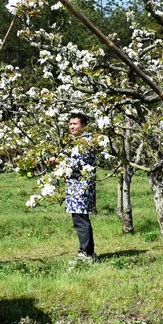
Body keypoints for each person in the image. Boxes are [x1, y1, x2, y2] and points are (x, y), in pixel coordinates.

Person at [61, 112, 98, 262]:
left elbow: (76, 164)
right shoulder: (77, 142)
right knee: (80, 218)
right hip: (75, 187)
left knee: (81, 219)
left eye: (75, 124)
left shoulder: (85, 143)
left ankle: (86, 253)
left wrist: (58, 163)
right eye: (70, 124)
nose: (72, 127)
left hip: (80, 188)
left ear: (83, 126)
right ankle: (88, 252)